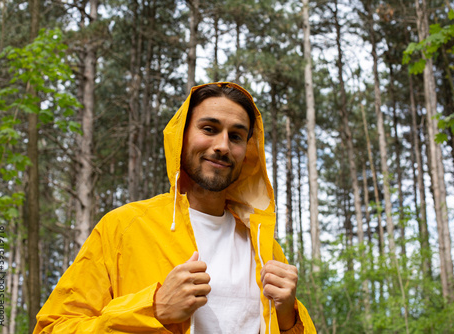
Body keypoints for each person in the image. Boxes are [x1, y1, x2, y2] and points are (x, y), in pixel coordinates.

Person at [34, 82, 316, 333]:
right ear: (181, 136)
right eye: (209, 129)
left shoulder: (263, 247)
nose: (222, 146)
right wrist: (153, 309)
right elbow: (53, 328)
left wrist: (288, 319)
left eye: (236, 136)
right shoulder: (123, 228)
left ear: (248, 151)